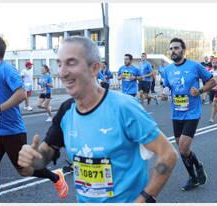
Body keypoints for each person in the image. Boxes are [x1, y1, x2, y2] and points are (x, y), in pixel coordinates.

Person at [18, 36, 178, 203]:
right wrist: (32, 159)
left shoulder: (124, 107)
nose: (62, 72)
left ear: (95, 68)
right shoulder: (66, 111)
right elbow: (44, 155)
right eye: (59, 63)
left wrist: (143, 199)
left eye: (71, 63)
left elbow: (168, 154)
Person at [0, 36, 68, 199]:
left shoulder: (6, 69)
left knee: (24, 169)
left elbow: (21, 94)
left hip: (11, 131)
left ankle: (56, 177)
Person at [160, 38, 216, 191]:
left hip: (192, 112)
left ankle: (196, 170)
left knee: (184, 149)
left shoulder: (195, 66)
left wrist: (200, 91)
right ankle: (194, 176)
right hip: (176, 113)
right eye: (171, 48)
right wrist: (164, 94)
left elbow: (213, 81)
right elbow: (166, 86)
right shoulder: (168, 70)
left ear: (183, 50)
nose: (173, 51)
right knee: (182, 149)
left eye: (176, 48)